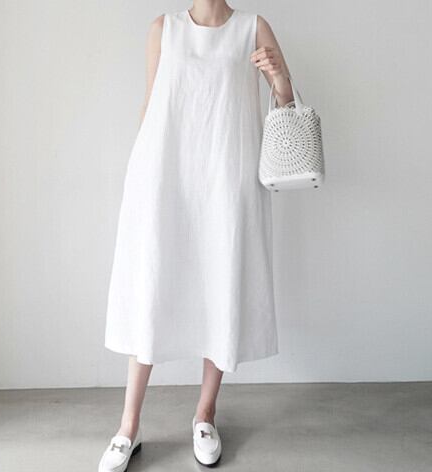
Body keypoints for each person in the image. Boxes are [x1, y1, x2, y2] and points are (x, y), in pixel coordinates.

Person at [98, 1, 294, 470]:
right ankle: (128, 426)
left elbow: (286, 109)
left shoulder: (253, 28)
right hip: (165, 175)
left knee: (220, 286)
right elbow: (152, 102)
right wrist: (139, 176)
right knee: (152, 287)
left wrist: (280, 78)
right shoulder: (163, 29)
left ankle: (205, 415)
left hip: (226, 178)